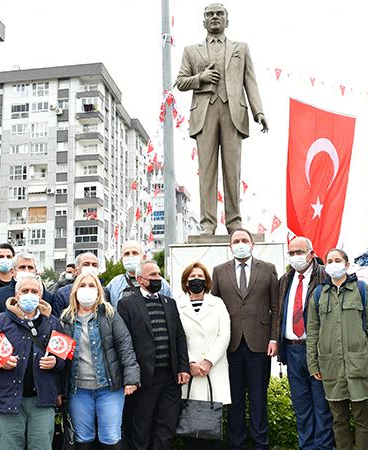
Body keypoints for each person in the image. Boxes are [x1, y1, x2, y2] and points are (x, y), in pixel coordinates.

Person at [175, 3, 268, 235]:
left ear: (227, 20)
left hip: (233, 113)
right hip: (204, 114)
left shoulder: (241, 48)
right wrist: (201, 77)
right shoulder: (190, 51)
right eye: (210, 14)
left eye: (219, 14)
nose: (214, 17)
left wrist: (259, 112)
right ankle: (208, 224)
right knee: (206, 171)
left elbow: (250, 82)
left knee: (232, 170)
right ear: (203, 21)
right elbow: (180, 82)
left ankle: (234, 223)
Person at [307, 248, 368, 450]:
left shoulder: (361, 289)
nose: (334, 264)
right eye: (330, 260)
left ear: (347, 264)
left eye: (338, 260)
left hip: (358, 364)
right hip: (330, 366)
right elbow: (312, 332)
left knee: (363, 420)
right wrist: (312, 362)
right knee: (339, 421)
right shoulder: (318, 294)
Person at [0, 276, 65, 449]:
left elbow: (63, 360)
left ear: (41, 296)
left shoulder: (52, 322)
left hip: (42, 400)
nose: (29, 295)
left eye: (34, 291)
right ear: (16, 295)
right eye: (25, 291)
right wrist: (0, 361)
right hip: (8, 399)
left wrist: (55, 362)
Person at [211, 228, 279, 449]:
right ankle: (237, 444)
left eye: (244, 240)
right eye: (236, 241)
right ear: (230, 246)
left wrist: (274, 338)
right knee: (235, 399)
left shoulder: (268, 269)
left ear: (252, 244)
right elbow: (214, 307)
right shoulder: (219, 271)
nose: (240, 243)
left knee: (259, 398)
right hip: (230, 346)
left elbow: (275, 307)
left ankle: (261, 444)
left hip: (259, 344)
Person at [59, 272, 140, 450]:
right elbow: (60, 358)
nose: (87, 289)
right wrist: (58, 390)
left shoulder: (110, 314)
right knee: (83, 437)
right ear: (75, 290)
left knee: (111, 436)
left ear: (99, 290)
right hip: (78, 390)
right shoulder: (65, 319)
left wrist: (131, 378)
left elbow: (124, 345)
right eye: (82, 285)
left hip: (109, 388)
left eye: (91, 285)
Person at [117, 260, 189, 450]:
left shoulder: (169, 303)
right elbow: (124, 342)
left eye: (159, 274)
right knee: (141, 427)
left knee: (166, 426)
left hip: (170, 378)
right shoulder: (126, 304)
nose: (159, 278)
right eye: (154, 275)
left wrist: (183, 367)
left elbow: (179, 336)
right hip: (145, 377)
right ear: (140, 279)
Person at [277, 237, 333, 449]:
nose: (295, 257)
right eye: (291, 253)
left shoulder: (325, 276)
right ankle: (306, 446)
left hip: (316, 351)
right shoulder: (285, 279)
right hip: (292, 350)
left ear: (311, 253)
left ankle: (323, 447)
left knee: (321, 406)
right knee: (301, 407)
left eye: (299, 252)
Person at [175, 262, 231, 450]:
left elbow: (224, 334)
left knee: (211, 430)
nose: (196, 280)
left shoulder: (218, 304)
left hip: (213, 371)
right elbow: (175, 337)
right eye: (191, 277)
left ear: (206, 281)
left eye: (199, 277)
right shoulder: (177, 304)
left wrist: (208, 361)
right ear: (185, 282)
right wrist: (189, 362)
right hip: (189, 372)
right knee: (190, 429)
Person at [0, 252, 61, 324]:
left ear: (36, 271)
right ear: (12, 271)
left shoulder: (48, 297)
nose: (26, 270)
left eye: (30, 268)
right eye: (22, 267)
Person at [107, 241, 173, 307]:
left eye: (135, 253)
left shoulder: (160, 282)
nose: (130, 256)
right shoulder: (114, 284)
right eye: (127, 254)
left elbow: (170, 308)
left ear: (144, 257)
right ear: (122, 259)